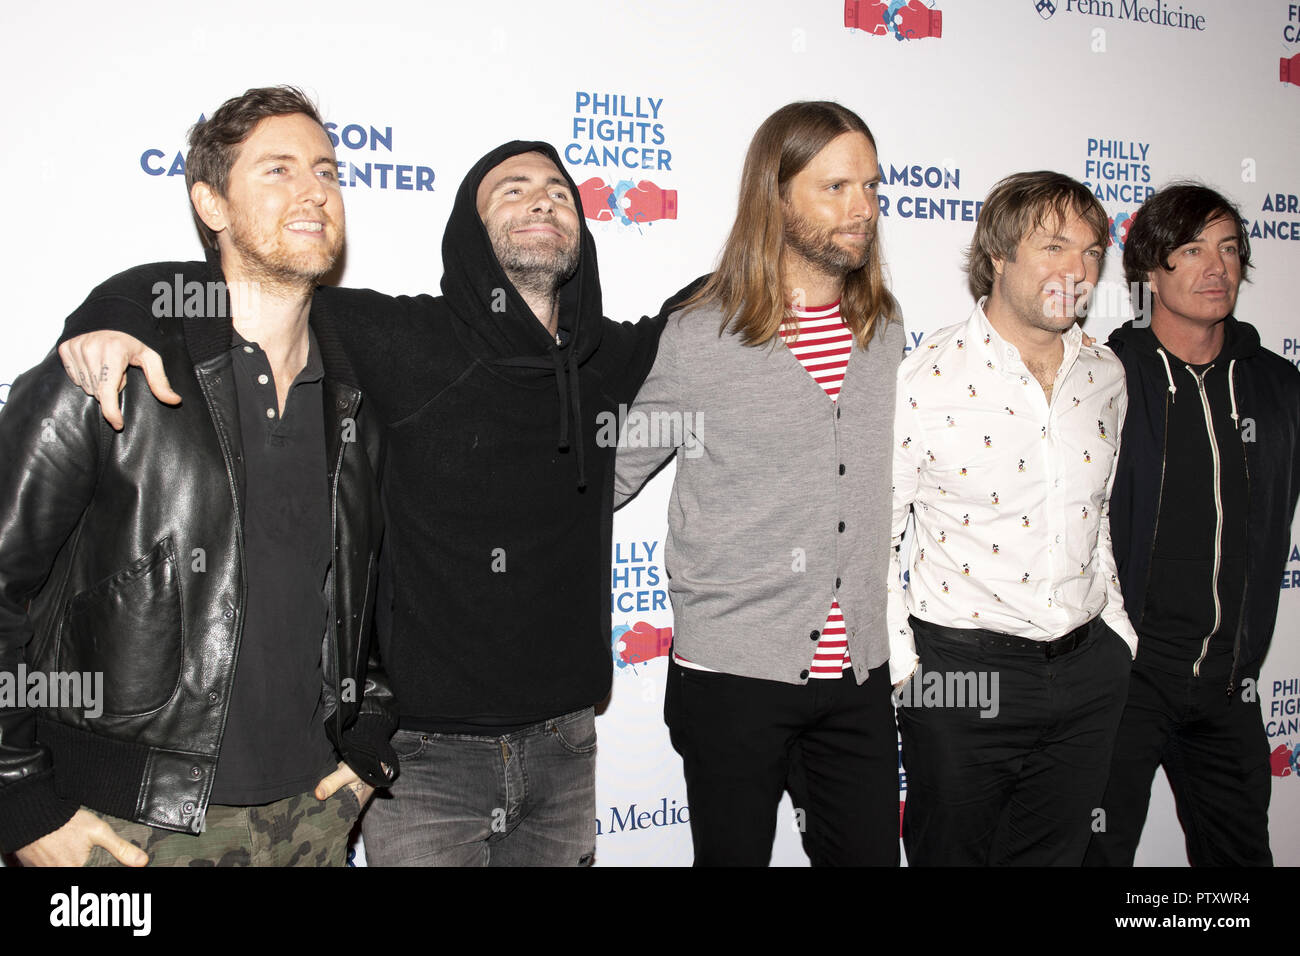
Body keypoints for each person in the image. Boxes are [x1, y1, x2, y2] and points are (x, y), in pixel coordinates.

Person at [57, 141, 667, 866]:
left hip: (567, 746)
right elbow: (238, 286)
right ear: (470, 232)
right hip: (422, 758)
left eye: (559, 192)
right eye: (512, 189)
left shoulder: (606, 360)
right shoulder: (402, 337)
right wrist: (108, 314)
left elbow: (714, 307)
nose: (542, 199)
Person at [0, 86, 397, 867]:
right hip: (126, 828)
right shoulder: (112, 376)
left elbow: (376, 597)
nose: (314, 189)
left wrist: (369, 738)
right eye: (277, 170)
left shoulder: (356, 406)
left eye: (326, 169)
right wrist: (18, 796)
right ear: (210, 204)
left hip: (313, 819)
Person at [614, 101, 904, 866]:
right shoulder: (700, 336)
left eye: (870, 188)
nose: (862, 210)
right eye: (836, 188)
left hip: (858, 676)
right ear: (775, 197)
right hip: (734, 678)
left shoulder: (885, 331)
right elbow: (611, 476)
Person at [888, 170, 1139, 866]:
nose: (1078, 271)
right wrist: (906, 671)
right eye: (1054, 246)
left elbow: (1096, 516)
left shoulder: (1106, 374)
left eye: (1091, 253)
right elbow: (871, 536)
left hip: (1088, 667)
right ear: (997, 255)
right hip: (963, 670)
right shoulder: (924, 379)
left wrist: (1116, 632)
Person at [1084, 183, 1300, 867]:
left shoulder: (1277, 387)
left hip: (1230, 685)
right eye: (1193, 249)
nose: (1218, 267)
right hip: (1126, 684)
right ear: (1152, 270)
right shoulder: (1104, 377)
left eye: (1230, 249)